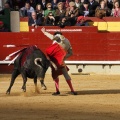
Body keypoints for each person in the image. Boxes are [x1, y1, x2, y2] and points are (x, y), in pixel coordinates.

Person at [41, 27, 77, 95]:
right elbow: (71, 53)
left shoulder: (57, 37)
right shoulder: (67, 41)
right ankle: (72, 90)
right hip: (61, 60)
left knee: (55, 75)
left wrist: (44, 32)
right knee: (66, 75)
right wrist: (63, 57)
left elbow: (52, 37)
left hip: (55, 61)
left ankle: (57, 91)